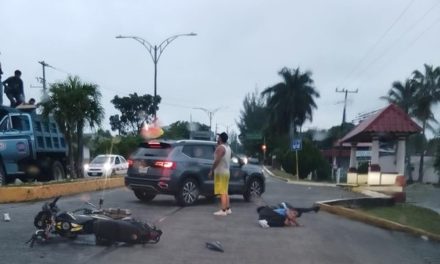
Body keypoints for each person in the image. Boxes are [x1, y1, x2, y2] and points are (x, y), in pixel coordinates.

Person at [209, 132, 232, 216]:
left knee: (222, 191)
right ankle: (228, 208)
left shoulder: (221, 148)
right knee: (225, 191)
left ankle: (223, 210)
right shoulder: (228, 147)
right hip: (226, 171)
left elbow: (217, 160)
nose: (217, 138)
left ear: (221, 139)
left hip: (221, 172)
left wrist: (211, 170)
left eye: (218, 137)